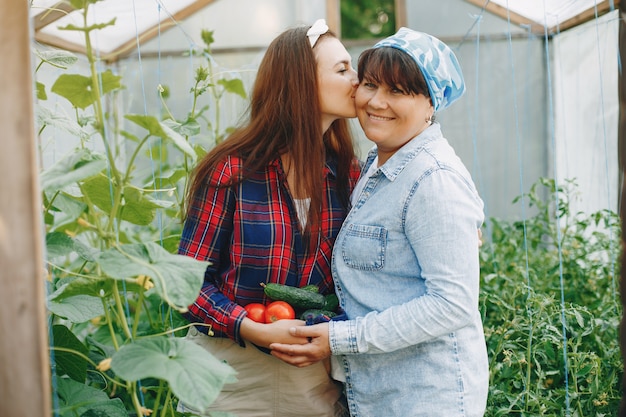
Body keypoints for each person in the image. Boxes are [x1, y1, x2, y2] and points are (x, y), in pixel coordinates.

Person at [270, 27, 489, 417]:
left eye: (398, 91)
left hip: (425, 397)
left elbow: (452, 305)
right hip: (381, 393)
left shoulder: (433, 178)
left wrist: (338, 338)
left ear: (429, 104)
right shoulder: (376, 163)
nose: (376, 101)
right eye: (370, 84)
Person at [176, 19, 361, 417]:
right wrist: (248, 326)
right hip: (226, 372)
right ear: (299, 83)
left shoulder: (348, 174)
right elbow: (184, 284)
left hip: (312, 377)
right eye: (343, 69)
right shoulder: (232, 171)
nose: (358, 81)